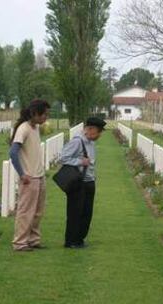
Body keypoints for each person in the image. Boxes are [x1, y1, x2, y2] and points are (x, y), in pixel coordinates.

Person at [9, 99, 50, 252]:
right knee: (26, 211)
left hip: (39, 176)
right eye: (44, 114)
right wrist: (22, 174)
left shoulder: (35, 128)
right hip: (29, 177)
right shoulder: (23, 129)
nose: (46, 117)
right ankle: (20, 243)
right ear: (34, 113)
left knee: (38, 212)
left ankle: (33, 240)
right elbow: (13, 152)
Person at [59, 117, 106, 249]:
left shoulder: (91, 143)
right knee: (75, 212)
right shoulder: (77, 142)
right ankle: (71, 241)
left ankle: (79, 239)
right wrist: (80, 162)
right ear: (89, 129)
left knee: (87, 213)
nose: (99, 135)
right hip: (78, 183)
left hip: (89, 181)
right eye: (98, 131)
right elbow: (63, 158)